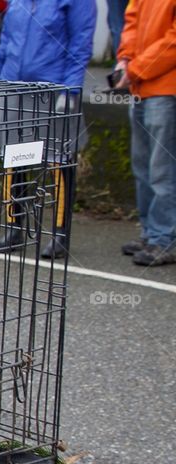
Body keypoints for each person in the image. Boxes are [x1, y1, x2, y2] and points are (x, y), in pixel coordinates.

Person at [0, 0, 96, 259]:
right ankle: (14, 228)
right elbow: (6, 41)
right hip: (14, 84)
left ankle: (60, 233)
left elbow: (80, 42)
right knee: (14, 160)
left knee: (58, 162)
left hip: (53, 88)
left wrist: (70, 88)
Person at [114, 0, 176, 266]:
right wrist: (125, 57)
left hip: (165, 87)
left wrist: (134, 68)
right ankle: (151, 233)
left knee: (162, 169)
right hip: (141, 85)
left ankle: (165, 239)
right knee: (143, 167)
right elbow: (132, 21)